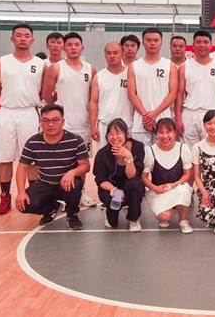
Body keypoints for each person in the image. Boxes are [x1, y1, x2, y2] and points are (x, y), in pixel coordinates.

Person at [0, 24, 45, 215]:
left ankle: (34, 197)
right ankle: (5, 198)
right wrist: (10, 101)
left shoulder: (40, 64)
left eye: (26, 35)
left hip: (29, 113)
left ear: (32, 39)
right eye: (19, 35)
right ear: (12, 39)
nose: (23, 38)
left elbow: (42, 91)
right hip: (7, 113)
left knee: (31, 160)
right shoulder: (2, 62)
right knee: (4, 158)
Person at [42, 31, 98, 208]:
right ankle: (61, 196)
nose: (73, 48)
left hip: (84, 123)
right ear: (64, 48)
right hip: (64, 124)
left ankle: (81, 193)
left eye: (76, 45)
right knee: (61, 160)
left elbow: (93, 98)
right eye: (69, 45)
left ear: (82, 48)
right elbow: (46, 94)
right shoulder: (56, 68)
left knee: (83, 161)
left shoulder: (91, 69)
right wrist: (57, 115)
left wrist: (93, 122)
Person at [14, 104, 90, 231]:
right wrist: (21, 192)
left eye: (55, 120)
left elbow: (86, 166)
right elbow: (22, 167)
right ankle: (51, 208)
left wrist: (72, 172)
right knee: (24, 204)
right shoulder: (33, 142)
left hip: (67, 184)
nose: (50, 124)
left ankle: (72, 215)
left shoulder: (75, 140)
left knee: (75, 185)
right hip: (45, 183)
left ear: (63, 122)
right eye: (46, 120)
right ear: (41, 123)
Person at [142, 118, 195, 233]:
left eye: (168, 132)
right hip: (158, 192)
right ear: (156, 134)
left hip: (177, 188)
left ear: (175, 133)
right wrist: (155, 188)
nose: (165, 136)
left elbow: (187, 174)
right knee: (164, 218)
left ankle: (183, 220)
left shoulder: (183, 148)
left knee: (183, 190)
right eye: (161, 132)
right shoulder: (150, 151)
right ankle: (169, 209)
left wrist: (175, 184)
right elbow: (144, 177)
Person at [127, 28, 178, 146]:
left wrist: (155, 113)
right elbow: (131, 93)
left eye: (156, 40)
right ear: (143, 42)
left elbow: (173, 93)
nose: (152, 43)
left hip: (164, 120)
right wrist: (146, 116)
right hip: (141, 121)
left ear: (161, 42)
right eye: (149, 40)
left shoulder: (170, 65)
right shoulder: (134, 66)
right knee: (141, 156)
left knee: (163, 155)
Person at [93, 118, 145, 232]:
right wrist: (113, 189)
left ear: (126, 134)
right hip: (112, 190)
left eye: (118, 133)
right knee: (112, 223)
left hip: (130, 188)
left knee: (135, 185)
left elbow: (132, 176)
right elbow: (101, 180)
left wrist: (129, 157)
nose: (114, 137)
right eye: (110, 134)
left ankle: (134, 219)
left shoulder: (138, 147)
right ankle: (110, 213)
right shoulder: (102, 153)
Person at [176, 30, 215, 147]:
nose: (202, 45)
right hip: (190, 113)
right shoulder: (184, 66)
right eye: (198, 42)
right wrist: (178, 118)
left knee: (211, 150)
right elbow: (179, 94)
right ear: (193, 45)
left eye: (205, 42)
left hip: (212, 113)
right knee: (188, 151)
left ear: (211, 45)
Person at [89, 42, 133, 150]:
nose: (112, 56)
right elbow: (93, 102)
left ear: (123, 54)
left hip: (126, 125)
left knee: (125, 157)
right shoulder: (99, 76)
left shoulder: (130, 74)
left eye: (115, 53)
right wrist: (93, 126)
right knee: (104, 157)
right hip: (105, 126)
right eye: (108, 53)